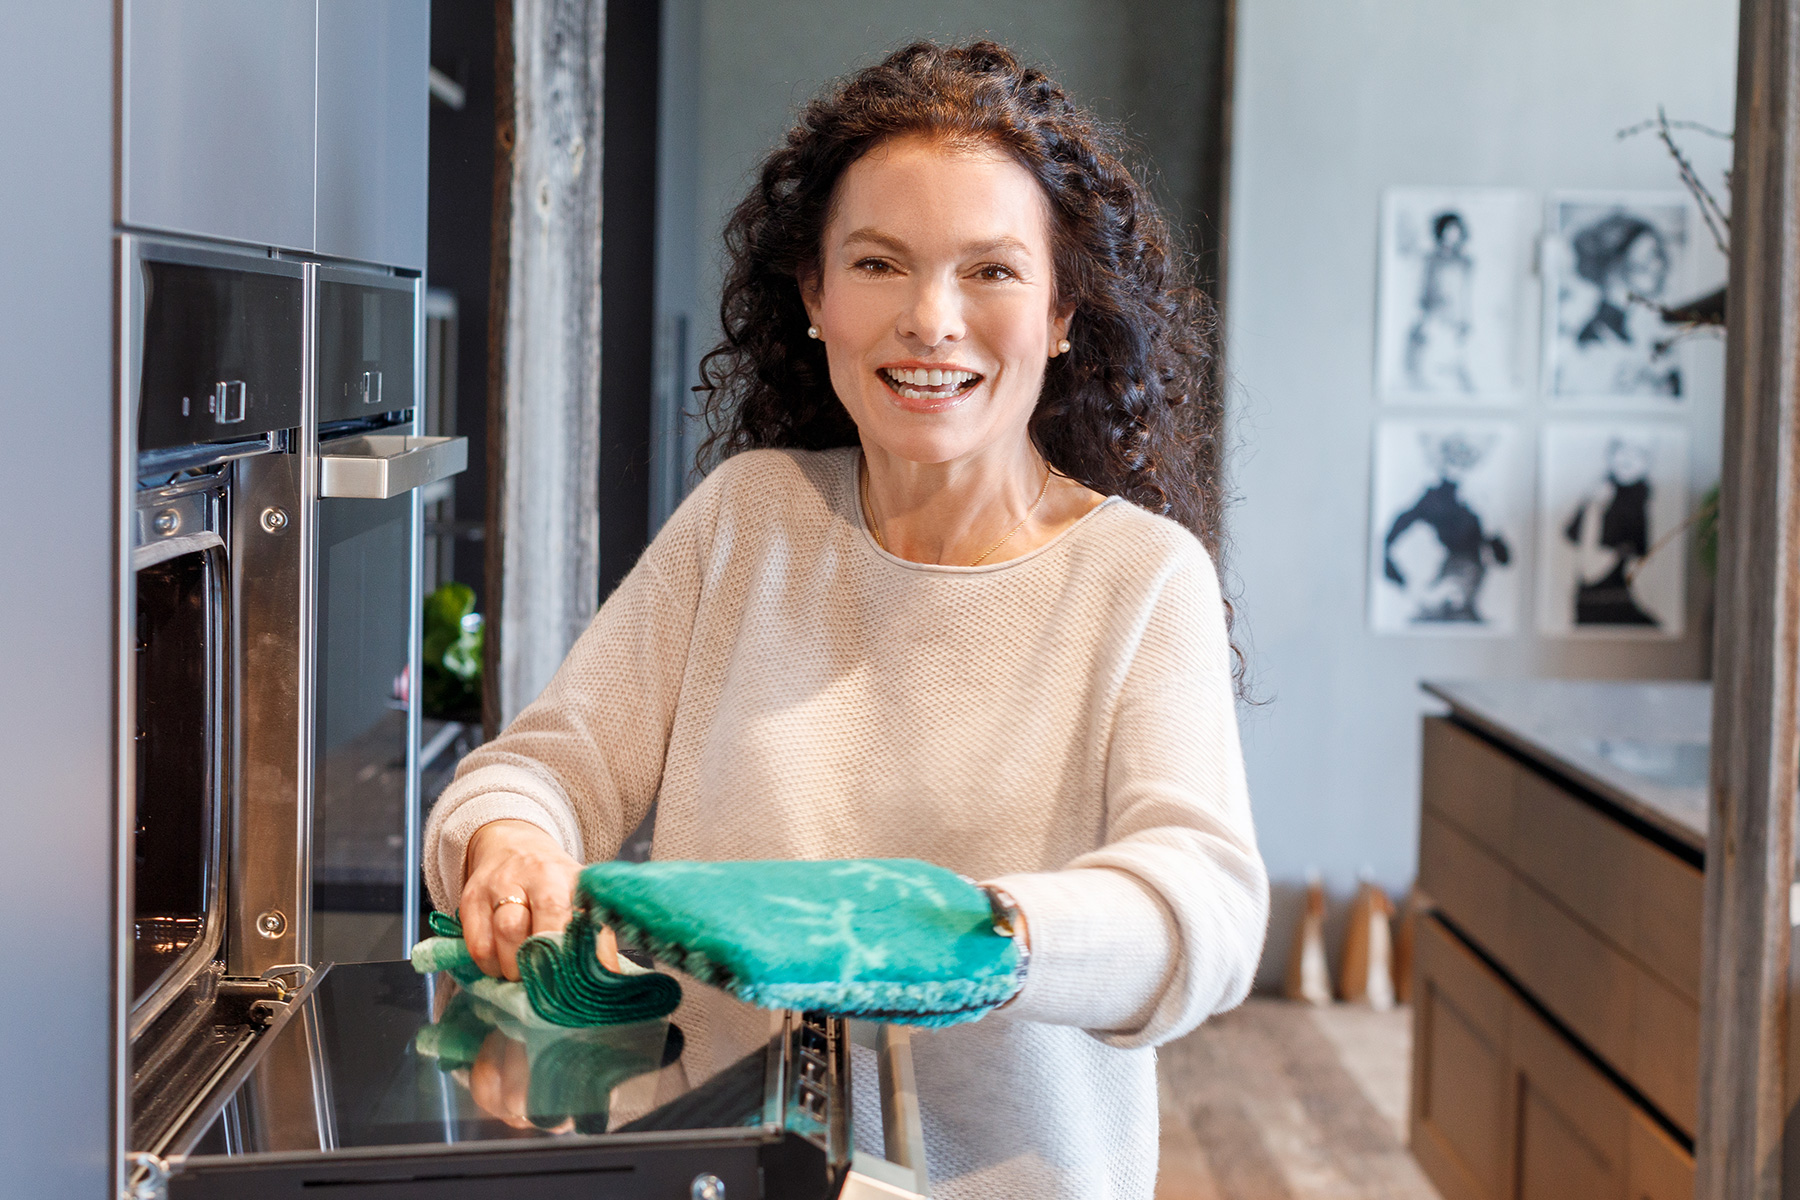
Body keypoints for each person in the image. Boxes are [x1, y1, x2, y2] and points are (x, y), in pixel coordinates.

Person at [423, 40, 1267, 1200]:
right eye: (879, 263)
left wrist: (971, 936)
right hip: (716, 1172)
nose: (931, 319)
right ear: (816, 297)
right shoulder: (747, 520)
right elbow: (541, 769)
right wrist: (509, 843)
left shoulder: (1138, 578)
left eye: (992, 271)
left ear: (1065, 309)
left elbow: (1206, 913)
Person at [1381, 432, 1511, 624]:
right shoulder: (1434, 498)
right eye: (1453, 460)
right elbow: (1389, 540)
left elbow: (1504, 558)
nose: (1459, 468)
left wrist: (1491, 522)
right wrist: (1407, 584)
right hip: (1443, 579)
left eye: (1465, 461)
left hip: (1471, 581)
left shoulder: (1480, 502)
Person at [1555, 210, 1682, 397]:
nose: (1659, 266)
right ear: (1615, 266)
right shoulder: (1593, 342)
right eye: (1649, 257)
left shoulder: (1646, 328)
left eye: (1658, 255)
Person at [1564, 438, 1659, 627]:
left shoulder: (1641, 497)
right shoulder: (1600, 493)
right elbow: (1576, 540)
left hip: (1620, 590)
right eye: (1623, 452)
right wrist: (1594, 508)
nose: (1628, 460)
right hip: (1596, 589)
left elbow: (1641, 551)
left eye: (1637, 454)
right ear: (1611, 456)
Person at [1403, 211, 1474, 393]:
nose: (1452, 235)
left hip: (1456, 322)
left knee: (1457, 368)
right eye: (1449, 230)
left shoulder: (1465, 263)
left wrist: (1465, 321)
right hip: (1435, 320)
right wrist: (1424, 319)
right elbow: (1424, 292)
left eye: (1456, 231)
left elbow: (1467, 295)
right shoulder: (1431, 261)